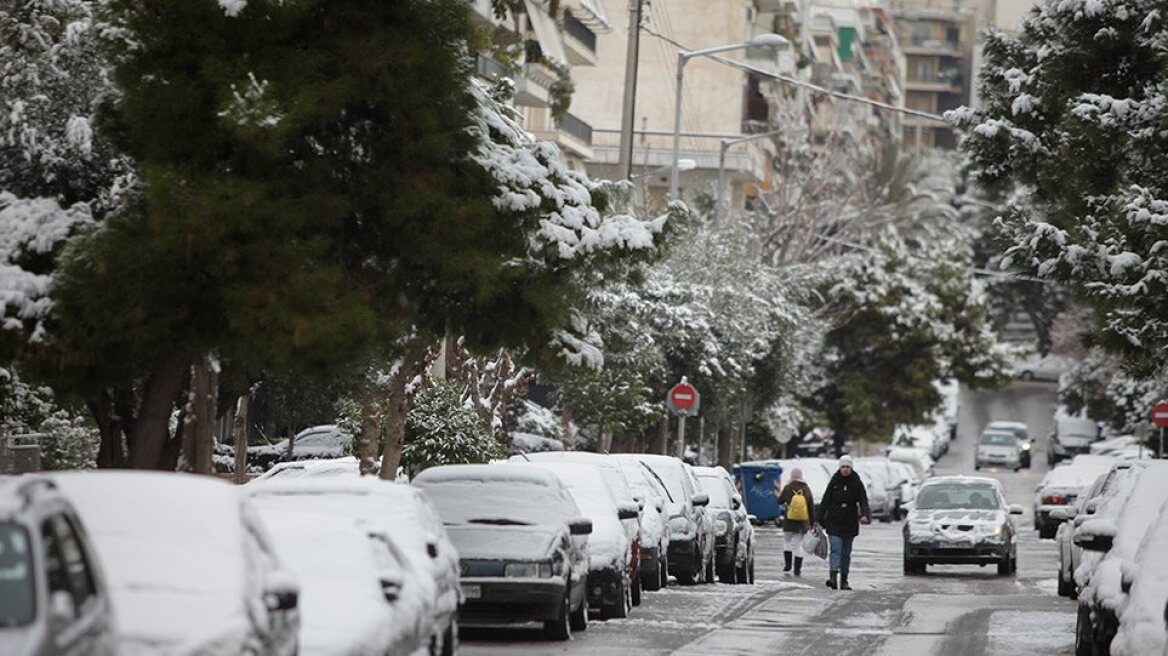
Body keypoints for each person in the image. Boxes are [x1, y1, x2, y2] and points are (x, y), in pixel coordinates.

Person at [818, 455, 870, 590]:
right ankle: (833, 578)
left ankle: (844, 580)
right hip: (834, 520)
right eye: (843, 467)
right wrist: (818, 519)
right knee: (835, 549)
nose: (845, 469)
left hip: (850, 521)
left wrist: (864, 514)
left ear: (851, 468)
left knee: (846, 553)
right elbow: (825, 500)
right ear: (839, 468)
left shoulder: (856, 482)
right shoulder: (834, 481)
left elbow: (863, 500)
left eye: (848, 467)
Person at [775, 467, 816, 576]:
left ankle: (788, 565)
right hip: (803, 522)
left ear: (792, 476)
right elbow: (811, 507)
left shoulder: (788, 488)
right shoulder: (806, 489)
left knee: (787, 542)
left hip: (789, 521)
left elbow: (779, 501)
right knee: (798, 545)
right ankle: (797, 569)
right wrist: (812, 522)